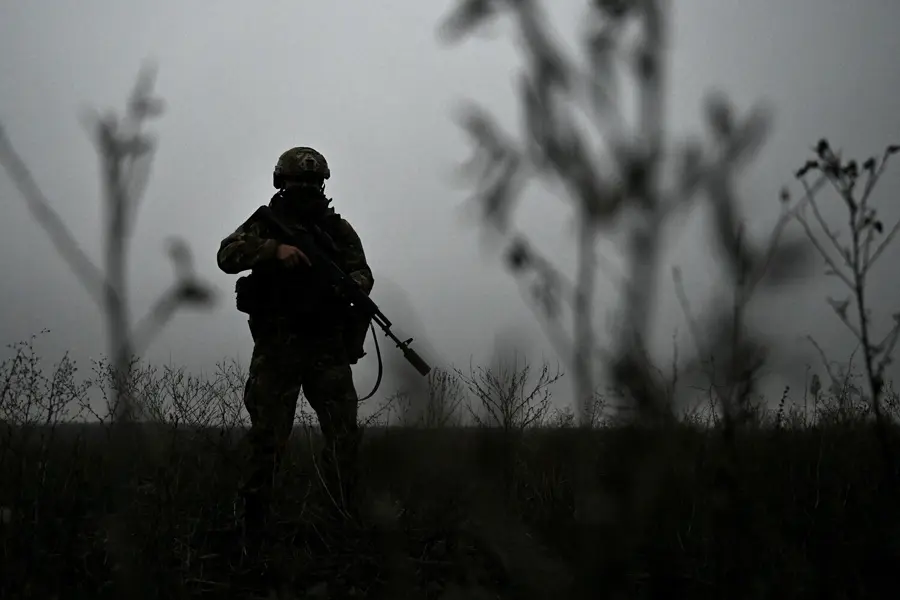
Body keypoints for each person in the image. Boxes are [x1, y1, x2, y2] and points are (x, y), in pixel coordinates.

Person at [216, 146, 373, 532]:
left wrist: (347, 287)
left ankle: (340, 519)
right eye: (297, 182)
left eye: (313, 182)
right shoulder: (267, 224)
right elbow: (226, 256)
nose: (306, 188)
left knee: (343, 438)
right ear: (281, 183)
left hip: (326, 347)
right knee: (267, 440)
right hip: (278, 346)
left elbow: (362, 273)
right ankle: (252, 527)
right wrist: (272, 250)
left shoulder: (338, 230)